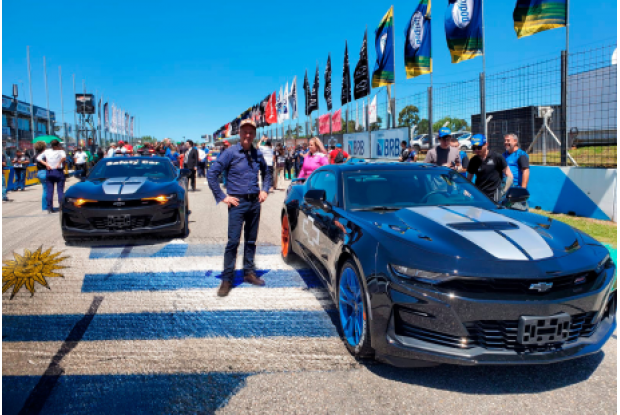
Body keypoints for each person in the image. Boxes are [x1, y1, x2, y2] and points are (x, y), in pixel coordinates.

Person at [207, 119, 271, 297]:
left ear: (254, 135)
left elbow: (267, 173)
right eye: (245, 132)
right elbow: (212, 174)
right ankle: (227, 279)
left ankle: (249, 273)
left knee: (251, 241)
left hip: (254, 203)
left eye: (251, 132)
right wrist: (222, 196)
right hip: (237, 204)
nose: (248, 135)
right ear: (240, 133)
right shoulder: (230, 153)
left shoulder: (258, 154)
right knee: (233, 242)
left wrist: (265, 190)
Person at [466, 134, 514, 202]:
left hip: (495, 197)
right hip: (480, 196)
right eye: (474, 148)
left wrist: (503, 192)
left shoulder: (497, 157)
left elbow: (509, 175)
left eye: (479, 147)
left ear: (486, 144)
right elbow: (469, 179)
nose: (476, 150)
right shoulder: (473, 161)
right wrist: (467, 190)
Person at [37, 139, 66, 213]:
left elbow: (38, 158)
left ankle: (49, 207)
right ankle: (61, 206)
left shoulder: (47, 151)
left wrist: (46, 164)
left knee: (50, 191)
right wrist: (59, 163)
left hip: (49, 171)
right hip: (58, 171)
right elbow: (64, 157)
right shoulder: (60, 151)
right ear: (58, 145)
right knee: (60, 190)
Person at [33, 141, 48, 210]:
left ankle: (45, 206)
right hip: (45, 171)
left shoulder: (36, 155)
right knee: (47, 190)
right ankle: (46, 206)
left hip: (40, 172)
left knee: (45, 189)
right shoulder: (44, 155)